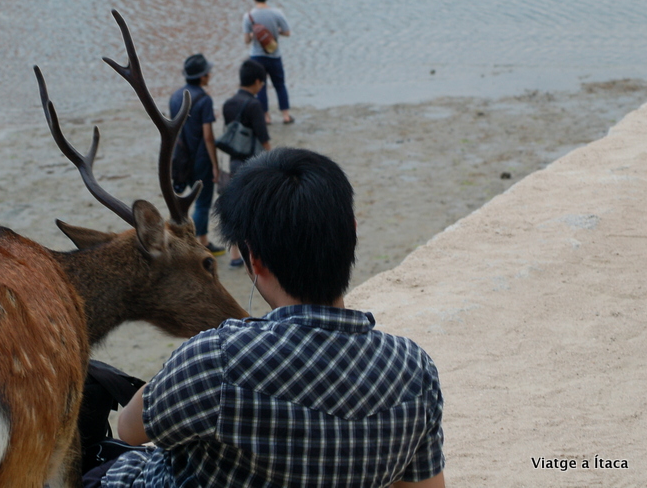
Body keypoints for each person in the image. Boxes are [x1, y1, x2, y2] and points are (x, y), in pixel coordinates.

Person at [100, 147, 446, 488]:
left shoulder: (216, 360)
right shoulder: (414, 371)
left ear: (255, 259)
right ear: (352, 232)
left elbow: (129, 429)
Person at [169, 53, 224, 255]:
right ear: (202, 77)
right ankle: (198, 245)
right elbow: (208, 136)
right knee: (202, 204)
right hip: (201, 160)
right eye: (207, 72)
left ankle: (202, 241)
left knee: (191, 201)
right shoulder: (204, 100)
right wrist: (215, 166)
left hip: (181, 159)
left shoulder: (175, 96)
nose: (210, 74)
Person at [221, 59, 271, 268]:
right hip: (252, 164)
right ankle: (254, 253)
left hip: (232, 161)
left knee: (233, 209)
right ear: (258, 82)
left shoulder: (228, 104)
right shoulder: (254, 104)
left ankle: (234, 255)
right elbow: (263, 137)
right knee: (254, 210)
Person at [243, 0, 294, 125]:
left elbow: (246, 40)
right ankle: (286, 115)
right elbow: (287, 32)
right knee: (280, 84)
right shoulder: (277, 13)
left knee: (261, 87)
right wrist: (275, 32)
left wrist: (254, 35)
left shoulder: (248, 16)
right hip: (274, 54)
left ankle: (266, 117)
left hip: (256, 57)